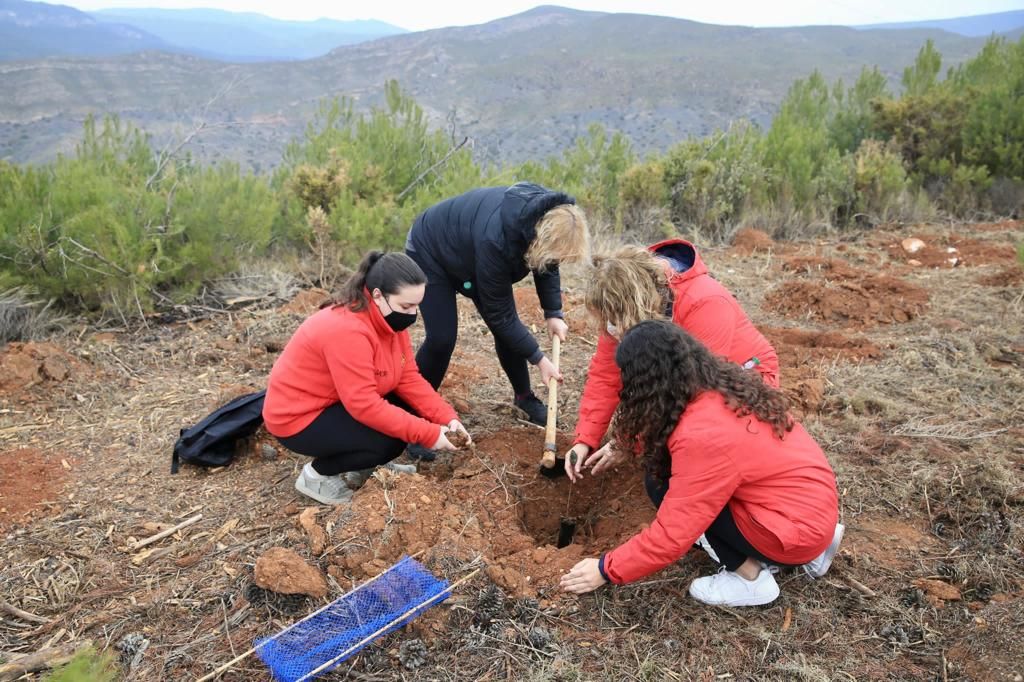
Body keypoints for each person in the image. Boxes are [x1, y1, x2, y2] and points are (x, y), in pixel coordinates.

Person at [559, 321, 842, 607]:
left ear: (647, 382)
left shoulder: (703, 436)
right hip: (813, 509)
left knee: (663, 484)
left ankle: (751, 579)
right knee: (665, 471)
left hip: (795, 530)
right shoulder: (721, 385)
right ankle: (813, 552)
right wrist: (626, 442)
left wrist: (605, 569)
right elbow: (669, 421)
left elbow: (673, 535)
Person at [263, 251, 472, 505]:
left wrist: (447, 418)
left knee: (406, 412)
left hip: (335, 402)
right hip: (298, 417)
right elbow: (363, 404)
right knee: (389, 441)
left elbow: (408, 378)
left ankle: (363, 466)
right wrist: (429, 434)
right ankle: (316, 476)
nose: (413, 314)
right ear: (377, 296)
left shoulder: (390, 322)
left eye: (418, 305)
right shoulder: (347, 330)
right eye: (406, 306)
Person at [404, 182, 590, 461]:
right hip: (432, 249)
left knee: (507, 332)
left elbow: (547, 263)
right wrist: (539, 359)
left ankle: (524, 397)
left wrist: (553, 312)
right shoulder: (497, 239)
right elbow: (501, 316)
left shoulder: (546, 218)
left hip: (471, 253)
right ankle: (414, 422)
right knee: (442, 338)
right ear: (537, 239)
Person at [565, 240, 780, 479]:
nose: (614, 328)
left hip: (742, 377)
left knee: (695, 437)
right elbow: (606, 375)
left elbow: (690, 390)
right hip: (684, 377)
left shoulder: (706, 303)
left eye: (617, 321)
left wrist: (628, 441)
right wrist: (585, 439)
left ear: (638, 303)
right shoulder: (621, 310)